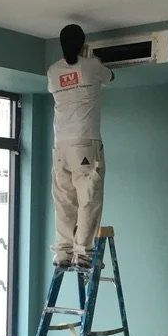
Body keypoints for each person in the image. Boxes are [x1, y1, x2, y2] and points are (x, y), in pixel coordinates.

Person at [47, 23, 114, 269]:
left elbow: (58, 85)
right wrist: (91, 57)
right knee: (88, 197)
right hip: (84, 142)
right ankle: (83, 253)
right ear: (82, 43)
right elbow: (110, 76)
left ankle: (63, 252)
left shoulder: (53, 71)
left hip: (60, 145)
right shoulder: (91, 66)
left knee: (64, 200)